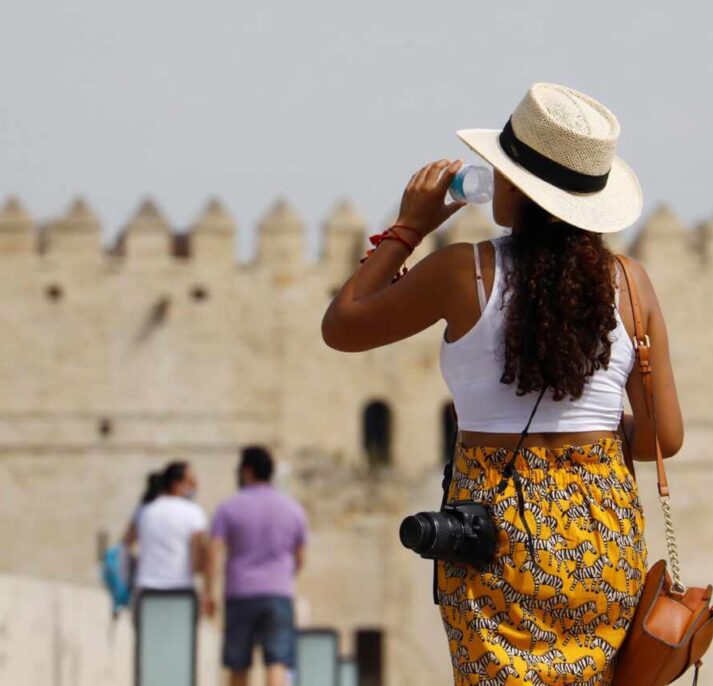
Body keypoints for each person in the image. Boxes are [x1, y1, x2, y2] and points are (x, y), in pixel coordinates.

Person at [321, 82, 683, 685]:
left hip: (495, 532)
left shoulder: (464, 274)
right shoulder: (631, 283)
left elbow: (344, 325)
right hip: (603, 534)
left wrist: (408, 228)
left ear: (517, 187)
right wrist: (589, 432)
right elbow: (661, 438)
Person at [208, 446, 308, 686]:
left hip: (240, 592)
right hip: (278, 593)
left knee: (238, 664)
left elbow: (214, 552)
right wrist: (283, 576)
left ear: (246, 471)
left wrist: (208, 592)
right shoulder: (293, 509)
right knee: (277, 662)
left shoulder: (228, 508)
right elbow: (300, 556)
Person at [135, 461, 210, 595]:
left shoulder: (146, 511)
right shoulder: (194, 512)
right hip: (180, 590)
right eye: (191, 481)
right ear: (176, 484)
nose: (195, 486)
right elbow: (198, 560)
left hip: (146, 591)